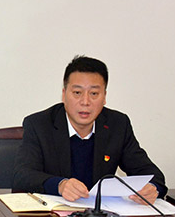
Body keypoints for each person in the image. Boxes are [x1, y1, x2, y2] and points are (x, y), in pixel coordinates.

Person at [12, 55, 166, 204]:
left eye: (94, 93)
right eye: (77, 93)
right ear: (64, 95)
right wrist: (60, 185)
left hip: (101, 216)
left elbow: (151, 173)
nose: (85, 102)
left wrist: (152, 188)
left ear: (104, 97)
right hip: (53, 216)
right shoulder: (39, 124)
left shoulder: (118, 124)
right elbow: (22, 175)